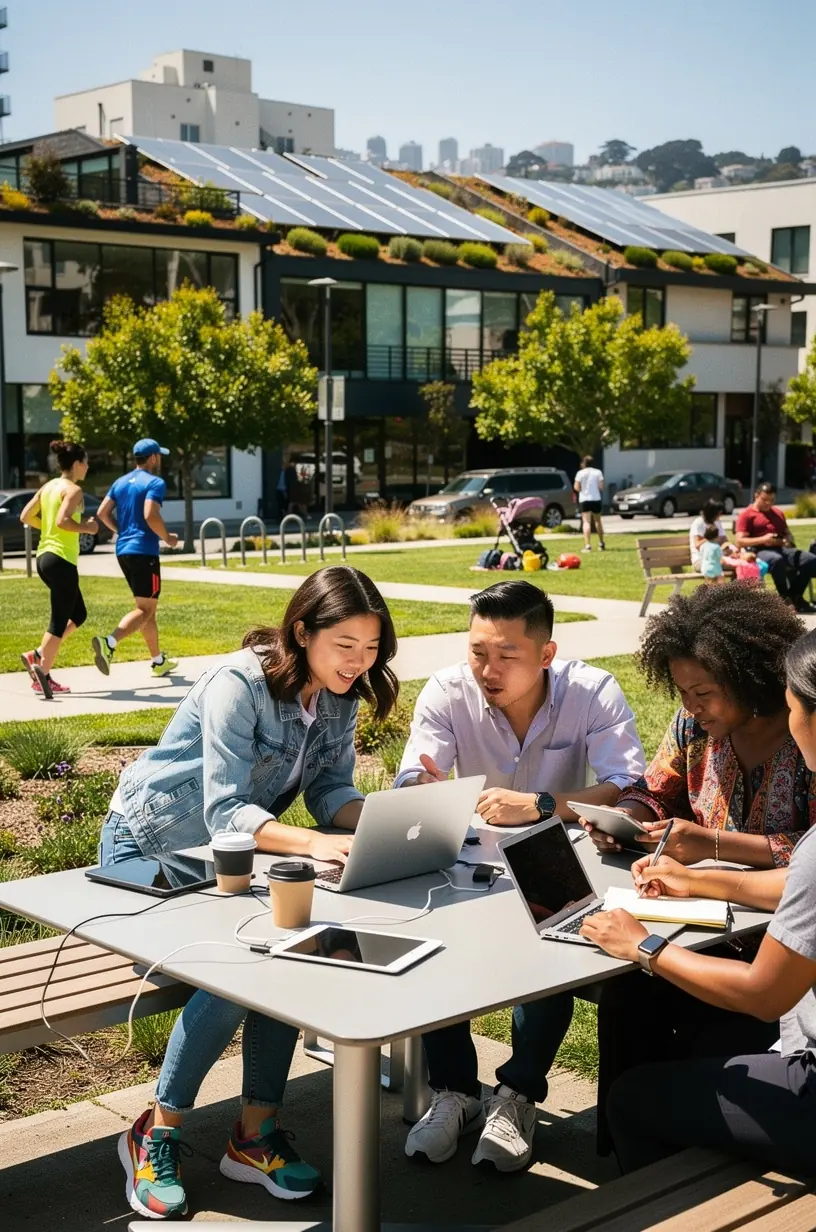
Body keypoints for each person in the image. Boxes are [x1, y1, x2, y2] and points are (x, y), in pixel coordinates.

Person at [101, 566, 398, 1220]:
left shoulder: (340, 695)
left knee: (286, 950)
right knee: (233, 967)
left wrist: (384, 823)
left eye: (371, 649)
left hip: (230, 862)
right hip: (147, 856)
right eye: (345, 645)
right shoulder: (240, 681)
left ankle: (252, 1137)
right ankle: (156, 1135)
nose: (359, 662)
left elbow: (329, 792)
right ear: (303, 630)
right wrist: (312, 843)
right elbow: (225, 809)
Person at [397, 579, 645, 1172]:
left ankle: (517, 1095)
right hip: (465, 858)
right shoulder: (446, 691)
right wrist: (426, 789)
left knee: (556, 926)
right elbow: (414, 775)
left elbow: (626, 784)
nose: (488, 668)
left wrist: (539, 805)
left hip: (557, 856)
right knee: (431, 938)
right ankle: (455, 1091)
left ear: (546, 654)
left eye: (507, 654)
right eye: (478, 651)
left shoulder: (592, 691)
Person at [580, 582, 814, 1152]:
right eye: (682, 691)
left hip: (772, 951)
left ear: (753, 675)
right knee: (631, 999)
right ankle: (637, 1156)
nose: (691, 707)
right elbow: (656, 791)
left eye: (704, 692)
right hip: (711, 925)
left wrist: (712, 847)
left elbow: (804, 859)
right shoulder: (694, 731)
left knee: (685, 1031)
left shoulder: (803, 743)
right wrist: (627, 818)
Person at [92, 439, 179, 679]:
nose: (159, 460)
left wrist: (121, 530)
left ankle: (158, 660)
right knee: (145, 609)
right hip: (145, 552)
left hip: (124, 551)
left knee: (147, 608)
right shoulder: (155, 482)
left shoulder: (120, 482)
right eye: (158, 456)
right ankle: (109, 642)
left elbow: (102, 512)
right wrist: (167, 537)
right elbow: (150, 514)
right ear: (152, 458)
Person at [19, 440, 99, 700]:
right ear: (76, 464)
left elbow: (26, 516)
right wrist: (87, 528)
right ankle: (42, 669)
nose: (87, 467)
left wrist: (51, 530)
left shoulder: (49, 486)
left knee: (79, 613)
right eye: (85, 463)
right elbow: (63, 521)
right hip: (61, 560)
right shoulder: (73, 490)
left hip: (44, 558)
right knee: (58, 620)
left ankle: (39, 654)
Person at [735, 481, 816, 613]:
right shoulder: (747, 515)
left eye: (771, 500)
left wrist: (788, 538)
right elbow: (739, 541)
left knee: (810, 559)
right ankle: (784, 597)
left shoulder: (777, 513)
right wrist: (764, 539)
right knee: (776, 560)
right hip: (760, 551)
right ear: (757, 496)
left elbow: (787, 532)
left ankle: (794, 595)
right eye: (764, 500)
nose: (768, 503)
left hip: (782, 548)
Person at [689, 499, 736, 573]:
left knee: (742, 561)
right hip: (701, 560)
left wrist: (731, 550)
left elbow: (725, 541)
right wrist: (711, 538)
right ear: (712, 513)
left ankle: (737, 584)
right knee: (735, 565)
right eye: (719, 513)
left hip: (719, 557)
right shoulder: (699, 523)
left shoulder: (717, 522)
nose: (721, 515)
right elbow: (697, 545)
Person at [573, 455, 605, 552]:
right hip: (595, 498)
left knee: (586, 522)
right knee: (598, 521)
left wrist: (583, 488)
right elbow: (601, 486)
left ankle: (587, 545)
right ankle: (601, 543)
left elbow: (577, 487)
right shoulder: (598, 472)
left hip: (584, 499)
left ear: (583, 463)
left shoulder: (580, 473)